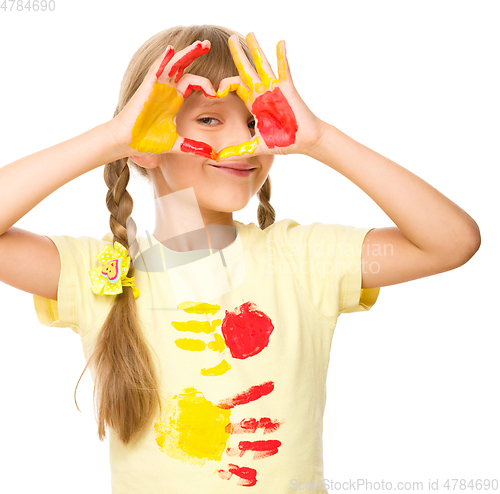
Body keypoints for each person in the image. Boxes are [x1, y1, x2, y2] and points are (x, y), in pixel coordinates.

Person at [0, 24, 480, 493]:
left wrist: (320, 140)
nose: (241, 140)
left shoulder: (303, 260)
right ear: (146, 140)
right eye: (210, 119)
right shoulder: (98, 274)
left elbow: (451, 242)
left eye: (253, 120)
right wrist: (110, 139)